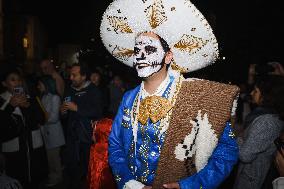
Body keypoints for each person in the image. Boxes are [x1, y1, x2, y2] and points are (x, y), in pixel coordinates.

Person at [100, 0, 239, 188]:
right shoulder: (129, 98)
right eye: (137, 50)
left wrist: (188, 185)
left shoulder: (197, 95)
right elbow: (115, 146)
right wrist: (128, 182)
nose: (140, 56)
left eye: (149, 49)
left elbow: (227, 151)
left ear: (168, 56)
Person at [234, 75, 284, 189]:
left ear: (267, 96)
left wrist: (239, 138)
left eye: (256, 91)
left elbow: (245, 155)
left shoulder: (267, 121)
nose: (251, 93)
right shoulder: (272, 116)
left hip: (251, 179)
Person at [0, 68, 47, 188]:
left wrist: (28, 107)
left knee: (35, 180)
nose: (17, 83)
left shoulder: (30, 98)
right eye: (12, 80)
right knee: (17, 181)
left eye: (19, 80)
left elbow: (41, 119)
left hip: (34, 149)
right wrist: (10, 106)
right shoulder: (1, 100)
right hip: (14, 152)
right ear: (4, 83)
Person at [61, 63, 103, 189]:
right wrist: (63, 112)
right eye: (70, 75)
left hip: (88, 137)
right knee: (72, 167)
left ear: (84, 76)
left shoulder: (94, 90)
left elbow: (98, 112)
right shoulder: (69, 90)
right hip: (72, 137)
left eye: (74, 75)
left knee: (86, 169)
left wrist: (77, 108)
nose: (71, 78)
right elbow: (65, 115)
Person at [37, 75, 66, 187]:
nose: (38, 86)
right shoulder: (43, 97)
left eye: (40, 84)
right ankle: (54, 176)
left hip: (54, 132)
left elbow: (54, 118)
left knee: (54, 158)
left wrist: (42, 119)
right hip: (46, 132)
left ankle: (57, 178)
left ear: (46, 84)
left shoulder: (55, 97)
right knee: (50, 157)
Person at [87, 118, 116, 189]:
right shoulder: (114, 148)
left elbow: (95, 178)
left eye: (94, 131)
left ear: (100, 134)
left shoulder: (98, 151)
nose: (92, 135)